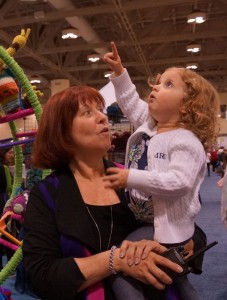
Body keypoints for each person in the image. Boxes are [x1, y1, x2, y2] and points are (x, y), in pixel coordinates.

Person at [22, 85, 188, 300]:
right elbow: (42, 276)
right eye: (87, 113)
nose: (103, 117)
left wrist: (161, 243)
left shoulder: (135, 178)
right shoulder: (46, 195)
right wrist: (116, 260)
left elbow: (191, 228)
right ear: (63, 133)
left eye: (101, 110)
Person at [103, 41, 219, 299]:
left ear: (187, 106)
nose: (155, 86)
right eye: (158, 81)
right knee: (174, 278)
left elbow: (179, 182)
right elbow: (130, 102)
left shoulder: (185, 141)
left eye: (168, 85)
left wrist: (130, 177)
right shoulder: (151, 125)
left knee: (123, 264)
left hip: (166, 227)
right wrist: (120, 74)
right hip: (148, 219)